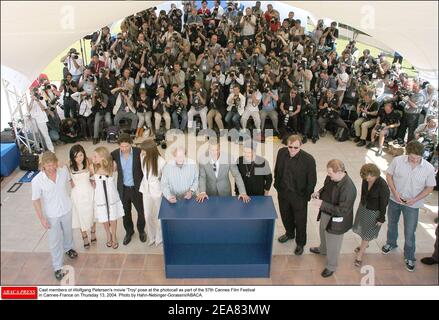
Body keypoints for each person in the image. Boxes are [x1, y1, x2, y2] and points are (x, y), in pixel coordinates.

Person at [382, 140, 436, 272]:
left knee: (410, 231)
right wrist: (394, 192)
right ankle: (391, 243)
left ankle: (409, 256)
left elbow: (430, 187)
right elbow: (389, 176)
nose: (415, 159)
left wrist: (416, 199)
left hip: (413, 204)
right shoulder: (398, 161)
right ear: (407, 153)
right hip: (394, 200)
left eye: (418, 157)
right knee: (392, 223)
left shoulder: (428, 168)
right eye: (412, 157)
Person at [32, 152, 78, 280]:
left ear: (56, 163)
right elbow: (35, 200)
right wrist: (42, 218)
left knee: (68, 232)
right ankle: (57, 266)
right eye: (48, 166)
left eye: (53, 165)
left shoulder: (62, 171)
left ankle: (69, 248)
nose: (51, 168)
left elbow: (70, 179)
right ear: (43, 166)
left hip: (66, 208)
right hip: (52, 215)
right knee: (54, 240)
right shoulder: (37, 181)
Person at [310, 159, 357, 278]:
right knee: (322, 232)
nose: (328, 176)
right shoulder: (331, 178)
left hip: (337, 219)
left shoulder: (349, 188)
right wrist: (319, 192)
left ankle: (331, 266)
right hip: (326, 212)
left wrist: (322, 204)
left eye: (330, 173)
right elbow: (326, 188)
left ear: (340, 172)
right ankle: (322, 249)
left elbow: (342, 211)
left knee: (334, 244)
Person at [274, 135, 317, 255]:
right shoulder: (281, 152)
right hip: (283, 192)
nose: (292, 149)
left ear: (301, 146)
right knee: (285, 215)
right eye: (290, 147)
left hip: (299, 196)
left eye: (295, 147)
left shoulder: (308, 160)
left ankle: (300, 243)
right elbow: (277, 170)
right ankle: (289, 233)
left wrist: (305, 196)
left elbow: (312, 180)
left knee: (300, 220)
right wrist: (277, 185)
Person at [111, 133, 146, 245]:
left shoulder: (138, 152)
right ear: (119, 145)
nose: (124, 149)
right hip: (123, 189)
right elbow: (103, 159)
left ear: (131, 144)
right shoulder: (115, 154)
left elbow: (153, 155)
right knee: (126, 213)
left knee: (141, 212)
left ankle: (141, 230)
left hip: (137, 188)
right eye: (122, 146)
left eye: (127, 146)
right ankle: (129, 232)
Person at [352, 164, 390, 266]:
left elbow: (384, 203)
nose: (368, 179)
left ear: (376, 174)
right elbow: (364, 193)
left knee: (368, 233)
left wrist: (381, 218)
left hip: (374, 212)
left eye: (370, 176)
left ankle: (360, 255)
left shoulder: (383, 186)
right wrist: (361, 205)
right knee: (364, 228)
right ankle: (364, 245)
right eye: (365, 176)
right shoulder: (365, 179)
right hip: (364, 208)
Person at [92, 146, 124, 249]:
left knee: (113, 217)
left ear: (103, 157)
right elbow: (88, 178)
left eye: (96, 156)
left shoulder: (112, 166)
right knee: (104, 217)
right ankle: (108, 235)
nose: (94, 158)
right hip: (100, 197)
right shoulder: (93, 167)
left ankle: (114, 236)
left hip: (112, 196)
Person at [139, 139, 166, 246]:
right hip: (145, 190)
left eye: (143, 150)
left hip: (157, 191)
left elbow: (165, 178)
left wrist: (164, 191)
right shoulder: (142, 157)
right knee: (147, 215)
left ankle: (159, 237)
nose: (142, 151)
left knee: (160, 216)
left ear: (150, 150)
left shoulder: (161, 161)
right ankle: (152, 236)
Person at [68, 144, 96, 249]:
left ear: (83, 154)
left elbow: (93, 175)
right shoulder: (70, 165)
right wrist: (70, 180)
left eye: (80, 155)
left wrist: (93, 180)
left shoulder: (88, 162)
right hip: (77, 194)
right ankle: (84, 237)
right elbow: (66, 176)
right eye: (75, 157)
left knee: (91, 213)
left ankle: (93, 232)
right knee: (80, 216)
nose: (79, 158)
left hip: (89, 191)